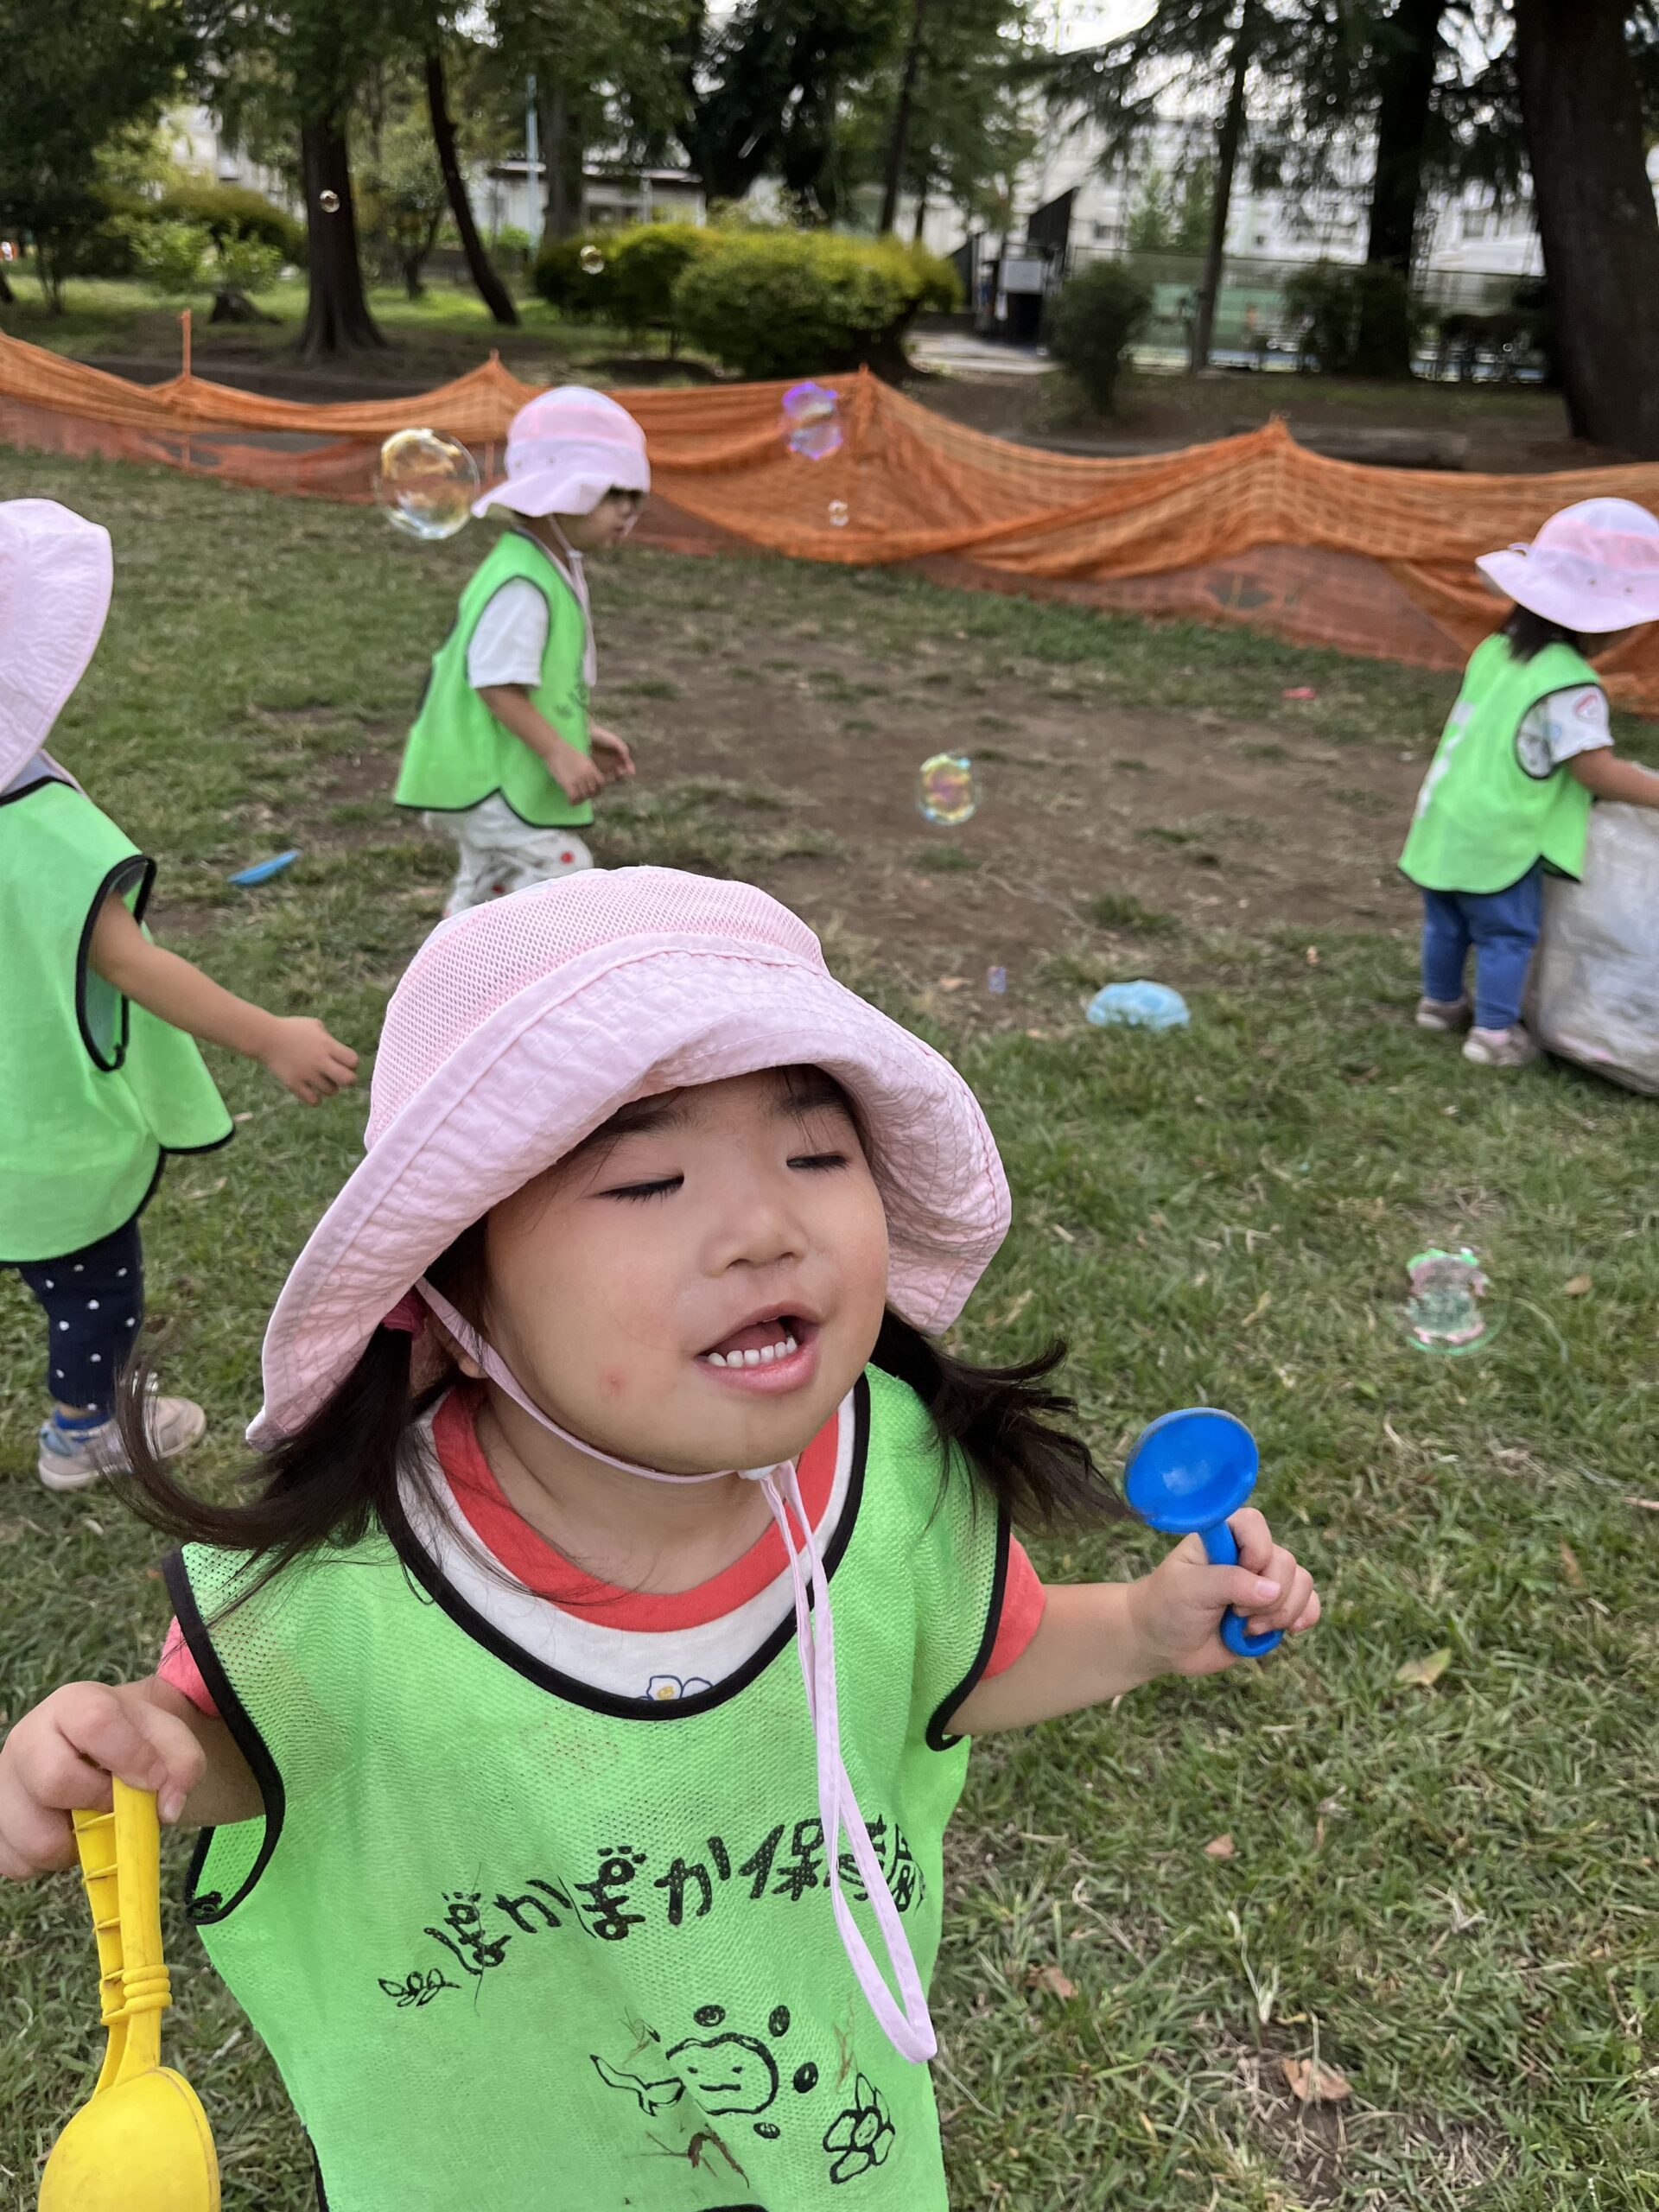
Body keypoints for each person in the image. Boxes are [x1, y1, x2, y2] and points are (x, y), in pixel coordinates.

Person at [0, 868, 1318, 2209]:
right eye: (646, 1181)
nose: (767, 1227)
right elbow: (253, 1753)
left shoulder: (894, 1466)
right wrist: (135, 1755)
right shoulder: (339, 1586)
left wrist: (1146, 1628)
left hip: (821, 2147)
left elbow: (967, 1661)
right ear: (456, 1293)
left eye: (817, 1155)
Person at [0, 499, 358, 1492]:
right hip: (43, 1131)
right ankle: (85, 1434)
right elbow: (134, 965)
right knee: (91, 1285)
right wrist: (272, 1034)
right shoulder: (39, 827)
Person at [1402, 497, 1659, 1067]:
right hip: (1504, 834)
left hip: (1446, 818)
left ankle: (1439, 1004)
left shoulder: (1495, 652)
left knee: (1446, 922)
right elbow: (1593, 769)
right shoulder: (1572, 684)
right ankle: (1493, 1036)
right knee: (1506, 936)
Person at [396, 385, 648, 917]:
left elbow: (532, 682)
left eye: (634, 497)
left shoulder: (543, 566)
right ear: (559, 492)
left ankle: (453, 981)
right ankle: (535, 988)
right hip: (485, 780)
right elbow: (495, 683)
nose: (626, 511)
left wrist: (582, 734)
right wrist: (558, 751)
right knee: (567, 876)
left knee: (486, 893)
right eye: (610, 494)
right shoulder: (522, 583)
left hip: (481, 779)